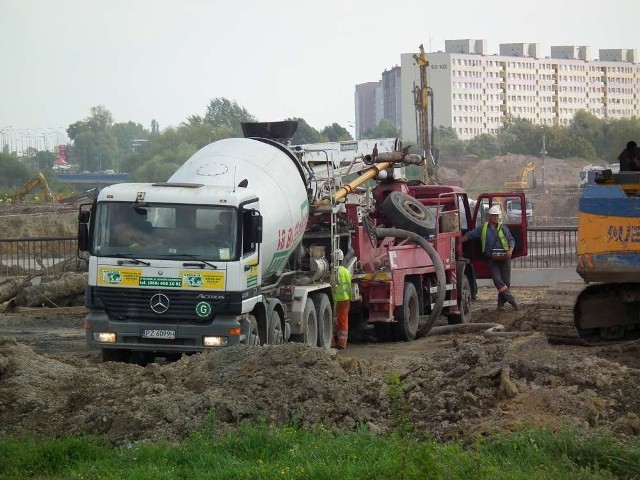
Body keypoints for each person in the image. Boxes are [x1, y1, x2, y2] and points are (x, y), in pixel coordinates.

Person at [461, 205, 519, 311]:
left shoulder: (503, 228)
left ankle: (500, 304)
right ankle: (513, 301)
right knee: (497, 281)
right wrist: (459, 241)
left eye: (497, 216)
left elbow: (511, 240)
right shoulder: (483, 228)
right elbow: (470, 235)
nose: (496, 218)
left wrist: (510, 251)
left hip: (505, 258)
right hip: (492, 259)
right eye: (494, 216)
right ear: (489, 216)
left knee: (506, 282)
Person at [331, 249, 352, 349]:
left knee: (333, 321)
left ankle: (333, 342)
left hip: (335, 300)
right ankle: (342, 343)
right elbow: (349, 286)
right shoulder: (346, 271)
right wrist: (350, 298)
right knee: (343, 321)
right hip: (345, 299)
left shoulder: (333, 272)